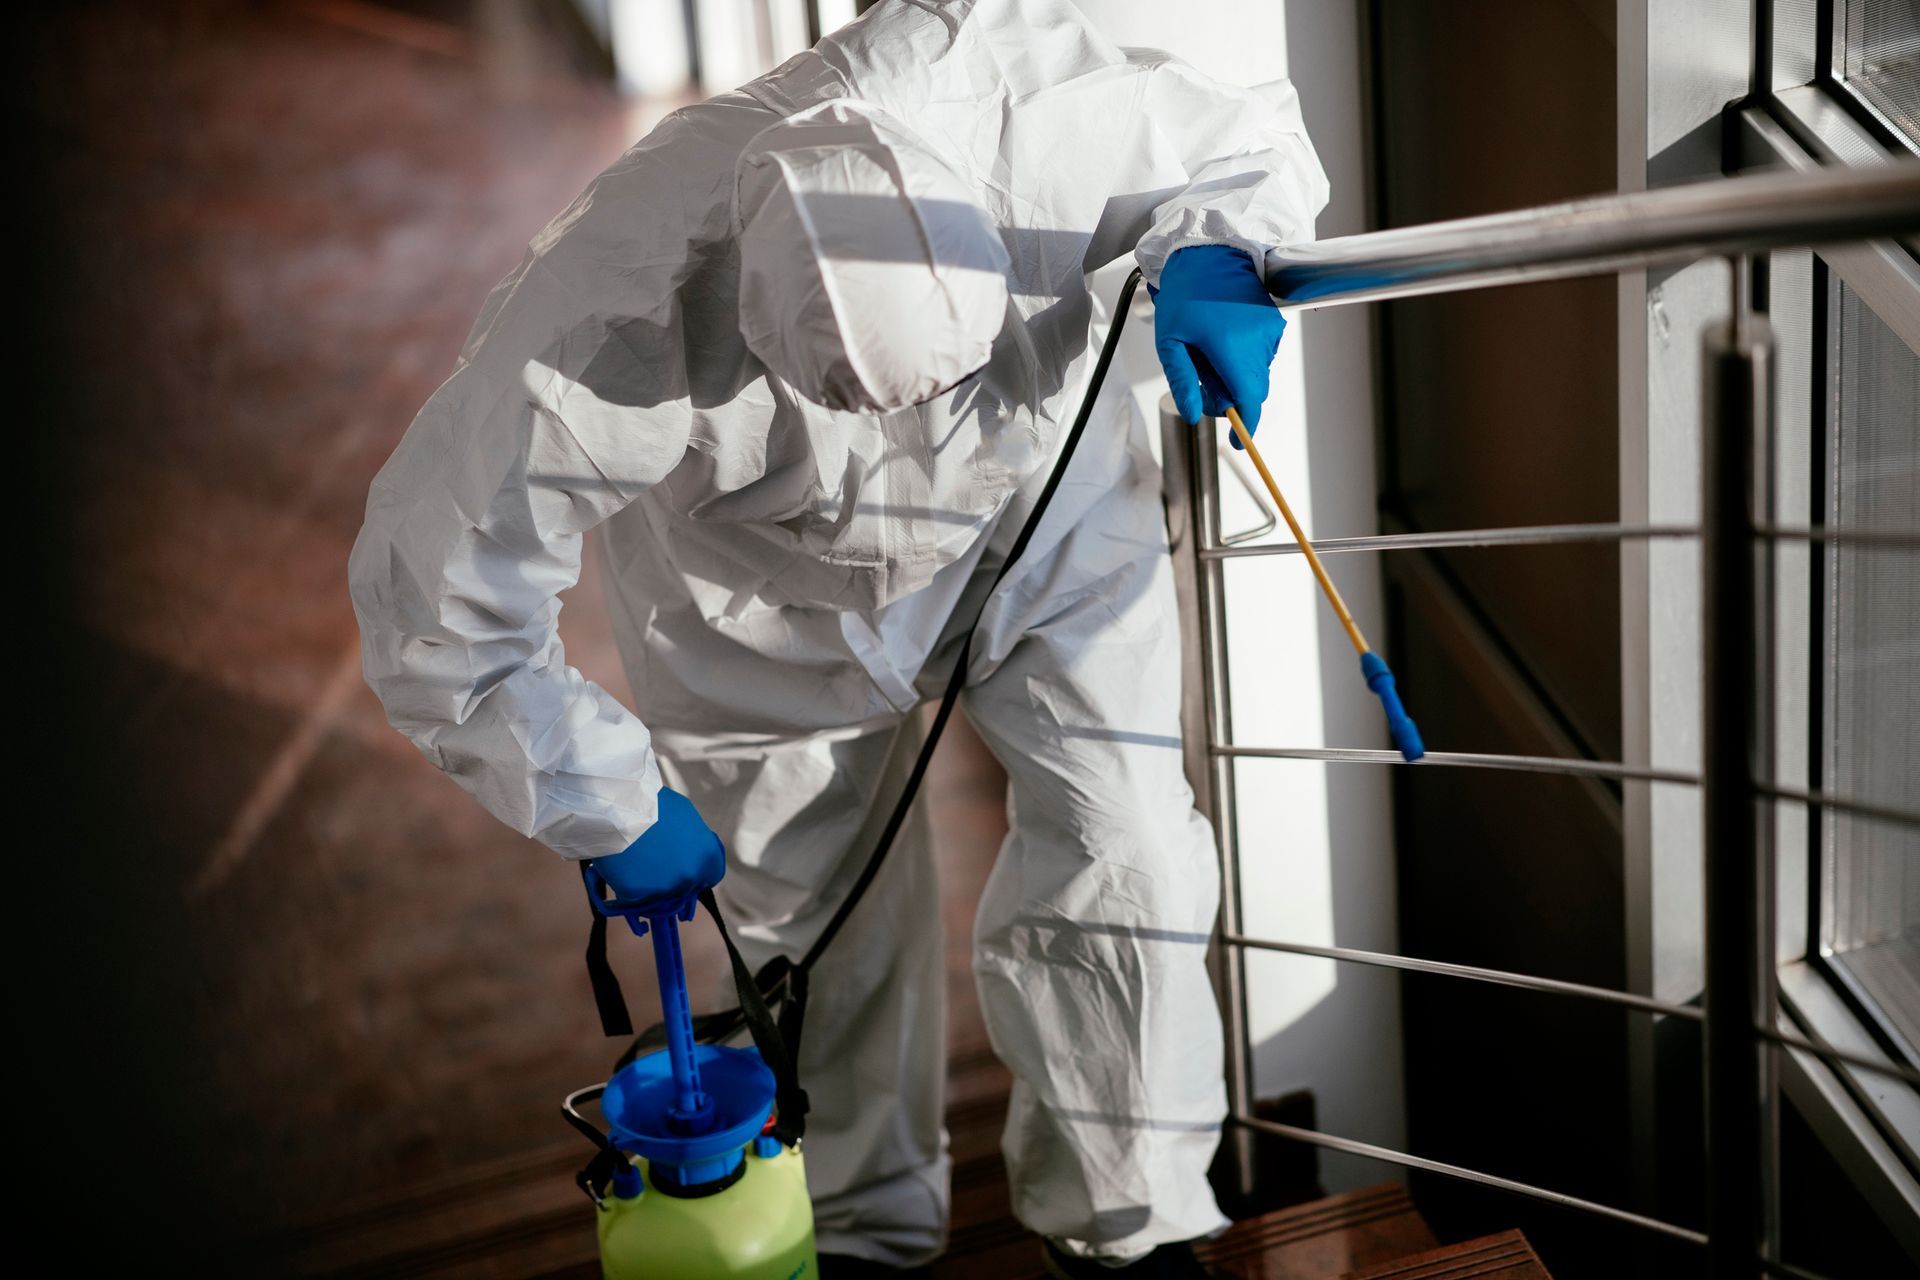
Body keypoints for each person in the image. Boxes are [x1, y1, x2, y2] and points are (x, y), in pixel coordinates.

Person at [349, 1, 1325, 1275]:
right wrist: (605, 798)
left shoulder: (1026, 91)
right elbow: (434, 600)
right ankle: (866, 1230)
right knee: (816, 938)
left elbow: (1247, 150)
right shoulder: (602, 307)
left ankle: (1126, 1228)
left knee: (1127, 848)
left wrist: (1221, 251)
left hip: (1042, 516)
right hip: (749, 615)